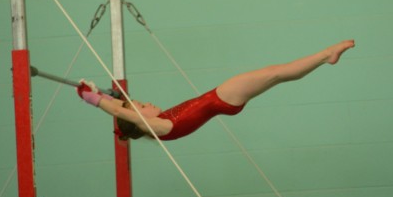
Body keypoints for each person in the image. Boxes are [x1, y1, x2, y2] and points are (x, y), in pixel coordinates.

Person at [77, 39, 355, 141]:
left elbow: (120, 103)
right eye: (141, 105)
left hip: (224, 101)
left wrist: (103, 93)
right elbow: (120, 110)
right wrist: (93, 99)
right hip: (222, 98)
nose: (147, 102)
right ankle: (326, 54)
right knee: (276, 72)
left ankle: (325, 57)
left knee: (277, 74)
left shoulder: (157, 125)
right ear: (138, 118)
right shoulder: (158, 127)